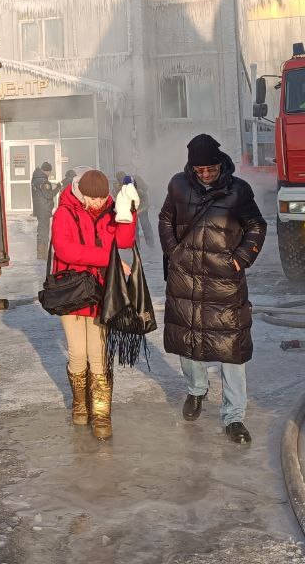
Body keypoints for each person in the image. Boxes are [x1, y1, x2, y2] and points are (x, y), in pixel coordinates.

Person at [157, 134, 267, 445]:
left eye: (211, 170)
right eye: (200, 170)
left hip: (224, 280)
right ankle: (195, 390)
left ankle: (234, 416)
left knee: (231, 350)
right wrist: (174, 251)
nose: (206, 175)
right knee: (189, 341)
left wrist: (241, 258)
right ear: (191, 168)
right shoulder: (178, 184)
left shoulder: (238, 190)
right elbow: (166, 218)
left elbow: (257, 226)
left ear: (220, 165)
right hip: (186, 277)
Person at [50, 168, 139, 440]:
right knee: (78, 354)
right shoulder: (64, 212)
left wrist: (129, 212)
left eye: (103, 198)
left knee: (98, 355)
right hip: (72, 293)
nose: (98, 203)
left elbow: (125, 241)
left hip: (102, 293)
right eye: (93, 198)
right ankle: (80, 405)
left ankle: (101, 414)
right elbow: (65, 250)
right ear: (81, 193)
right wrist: (106, 259)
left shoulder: (112, 209)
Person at [31, 161, 58, 259]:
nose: (49, 174)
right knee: (44, 232)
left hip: (40, 209)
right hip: (44, 210)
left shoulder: (36, 178)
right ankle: (42, 255)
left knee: (42, 231)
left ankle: (41, 253)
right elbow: (48, 195)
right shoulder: (43, 181)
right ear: (46, 171)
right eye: (49, 172)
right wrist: (57, 188)